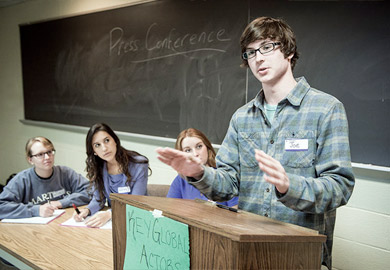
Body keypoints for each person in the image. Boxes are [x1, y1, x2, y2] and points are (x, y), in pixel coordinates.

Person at [156, 16, 355, 269]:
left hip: (299, 256)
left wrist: (288, 186)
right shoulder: (242, 118)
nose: (258, 58)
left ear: (289, 51)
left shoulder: (325, 109)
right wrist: (198, 173)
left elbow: (340, 187)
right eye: (250, 52)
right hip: (248, 252)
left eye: (267, 47)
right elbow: (227, 184)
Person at [73, 123, 150, 227]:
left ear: (115, 141)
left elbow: (135, 202)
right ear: (94, 151)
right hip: (114, 224)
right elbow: (98, 199)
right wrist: (87, 210)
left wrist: (109, 214)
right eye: (97, 145)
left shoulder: (139, 164)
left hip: (137, 222)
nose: (104, 148)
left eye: (107, 140)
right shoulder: (99, 167)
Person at [0, 136, 90, 219]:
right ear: (30, 160)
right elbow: (2, 206)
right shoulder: (21, 180)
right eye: (40, 155)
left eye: (49, 152)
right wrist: (36, 210)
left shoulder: (65, 173)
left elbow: (92, 191)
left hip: (63, 223)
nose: (47, 157)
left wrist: (62, 202)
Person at [167, 128, 238, 207]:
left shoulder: (224, 177)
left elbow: (237, 211)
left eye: (199, 146)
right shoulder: (180, 180)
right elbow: (170, 209)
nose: (195, 154)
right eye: (188, 150)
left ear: (207, 148)